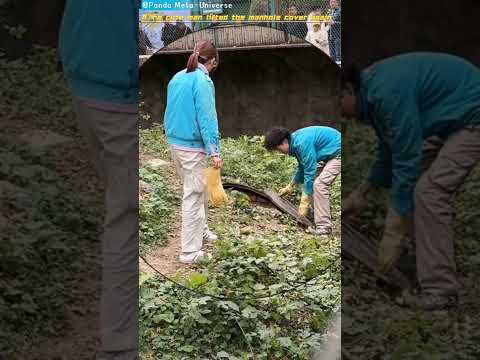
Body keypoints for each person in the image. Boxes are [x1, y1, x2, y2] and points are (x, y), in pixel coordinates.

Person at [340, 52, 480, 310]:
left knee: (429, 192)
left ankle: (440, 290)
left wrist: (392, 231)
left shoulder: (385, 92)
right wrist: (362, 192)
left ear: (348, 89)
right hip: (447, 119)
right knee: (414, 184)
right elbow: (390, 150)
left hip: (472, 116)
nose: (341, 115)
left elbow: (406, 157)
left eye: (338, 105)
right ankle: (423, 260)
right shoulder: (372, 91)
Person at [59, 0, 139, 359]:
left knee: (122, 197)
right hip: (119, 86)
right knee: (128, 218)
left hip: (85, 70)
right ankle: (121, 345)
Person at [164, 40, 223, 264]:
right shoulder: (202, 80)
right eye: (216, 64)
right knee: (194, 195)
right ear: (213, 61)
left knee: (198, 189)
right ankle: (189, 252)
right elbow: (208, 119)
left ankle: (203, 230)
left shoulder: (177, 77)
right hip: (191, 147)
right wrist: (215, 151)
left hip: (175, 144)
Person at [264, 126, 341, 236]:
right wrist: (291, 186)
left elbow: (310, 171)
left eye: (278, 148)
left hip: (338, 152)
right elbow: (302, 166)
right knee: (314, 183)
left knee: (319, 185)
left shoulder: (302, 143)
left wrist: (304, 202)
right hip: (326, 155)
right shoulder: (294, 142)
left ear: (284, 142)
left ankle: (324, 227)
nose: (279, 152)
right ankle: (319, 216)